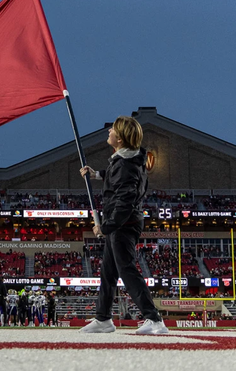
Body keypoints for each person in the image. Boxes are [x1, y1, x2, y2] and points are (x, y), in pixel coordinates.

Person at [79, 116, 168, 335]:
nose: (109, 131)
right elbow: (115, 178)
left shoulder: (126, 164)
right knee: (108, 272)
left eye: (112, 129)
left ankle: (154, 319)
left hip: (123, 224)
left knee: (126, 270)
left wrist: (106, 227)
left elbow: (124, 201)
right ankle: (103, 319)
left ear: (120, 138)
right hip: (123, 222)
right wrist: (96, 174)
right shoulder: (127, 160)